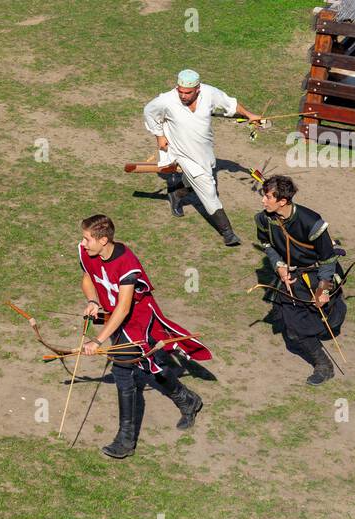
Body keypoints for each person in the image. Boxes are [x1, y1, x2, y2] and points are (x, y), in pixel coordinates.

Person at [75, 215, 212, 459]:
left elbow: (125, 308)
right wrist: (93, 300)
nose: (83, 243)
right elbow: (88, 276)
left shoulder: (128, 266)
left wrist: (97, 341)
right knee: (147, 368)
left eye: (87, 239)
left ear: (103, 240)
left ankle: (126, 441)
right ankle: (187, 399)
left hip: (137, 321)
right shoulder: (89, 253)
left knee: (123, 371)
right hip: (116, 319)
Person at [143, 69, 262, 246]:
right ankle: (228, 233)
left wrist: (250, 115)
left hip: (204, 152)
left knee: (198, 180)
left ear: (197, 89)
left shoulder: (209, 93)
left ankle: (176, 194)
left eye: (187, 92)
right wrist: (160, 135)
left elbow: (231, 104)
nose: (183, 96)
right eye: (180, 91)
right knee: (208, 191)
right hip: (182, 152)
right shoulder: (167, 100)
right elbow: (149, 111)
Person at [253, 175, 346, 385]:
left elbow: (328, 258)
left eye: (267, 197)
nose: (263, 201)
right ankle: (324, 365)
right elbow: (267, 245)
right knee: (295, 331)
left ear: (282, 201)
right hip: (292, 278)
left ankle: (336, 311)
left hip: (318, 273)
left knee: (329, 315)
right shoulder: (263, 219)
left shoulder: (311, 221)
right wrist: (279, 266)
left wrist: (323, 289)